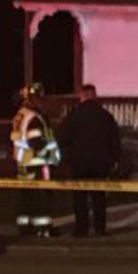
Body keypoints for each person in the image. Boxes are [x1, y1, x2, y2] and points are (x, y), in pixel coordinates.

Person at [56, 84, 121, 237]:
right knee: (99, 196)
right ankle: (100, 229)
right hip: (100, 163)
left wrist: (67, 156)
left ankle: (81, 229)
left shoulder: (73, 116)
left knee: (80, 196)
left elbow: (61, 137)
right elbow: (115, 139)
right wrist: (114, 159)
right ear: (95, 96)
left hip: (79, 162)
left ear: (82, 96)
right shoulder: (106, 116)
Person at [9, 82, 60, 237]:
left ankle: (25, 226)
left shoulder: (20, 115)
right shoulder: (34, 118)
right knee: (41, 196)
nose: (42, 101)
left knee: (26, 195)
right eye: (39, 98)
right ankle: (43, 228)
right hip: (37, 162)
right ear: (31, 98)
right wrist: (49, 156)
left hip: (23, 163)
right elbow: (36, 142)